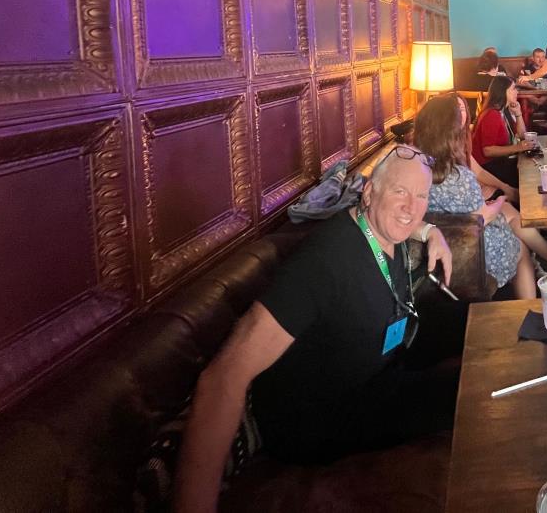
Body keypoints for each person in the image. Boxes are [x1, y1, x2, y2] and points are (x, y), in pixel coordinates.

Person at [173, 147, 454, 511]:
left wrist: (430, 230)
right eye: (400, 191)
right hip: (325, 416)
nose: (411, 207)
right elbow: (224, 375)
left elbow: (405, 217)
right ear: (369, 192)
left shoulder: (384, 229)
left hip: (377, 364)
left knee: (462, 319)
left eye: (421, 195)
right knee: (456, 396)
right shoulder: (323, 262)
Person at [414, 96, 547, 298]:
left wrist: (496, 198)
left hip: (445, 239)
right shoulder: (459, 175)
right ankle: (534, 294)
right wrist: (497, 202)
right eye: (458, 112)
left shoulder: (416, 167)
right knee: (519, 244)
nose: (462, 115)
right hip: (469, 248)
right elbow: (481, 216)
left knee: (508, 212)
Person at [471, 75, 532, 189]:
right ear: (503, 91)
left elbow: (523, 135)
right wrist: (518, 147)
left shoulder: (504, 111)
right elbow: (488, 151)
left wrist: (518, 114)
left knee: (528, 166)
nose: (517, 92)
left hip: (499, 162)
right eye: (513, 89)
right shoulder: (492, 114)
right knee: (527, 174)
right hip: (487, 167)